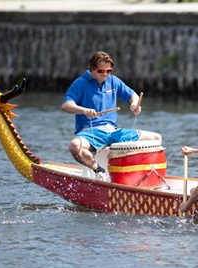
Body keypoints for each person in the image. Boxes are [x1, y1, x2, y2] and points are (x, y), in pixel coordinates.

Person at [61, 51, 162, 179]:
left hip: (113, 131)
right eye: (101, 71)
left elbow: (133, 96)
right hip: (91, 132)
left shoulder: (113, 81)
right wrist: (83, 110)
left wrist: (135, 104)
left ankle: (148, 177)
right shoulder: (80, 83)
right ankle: (98, 169)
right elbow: (65, 106)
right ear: (92, 68)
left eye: (109, 71)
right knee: (74, 146)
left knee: (156, 138)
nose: (105, 74)